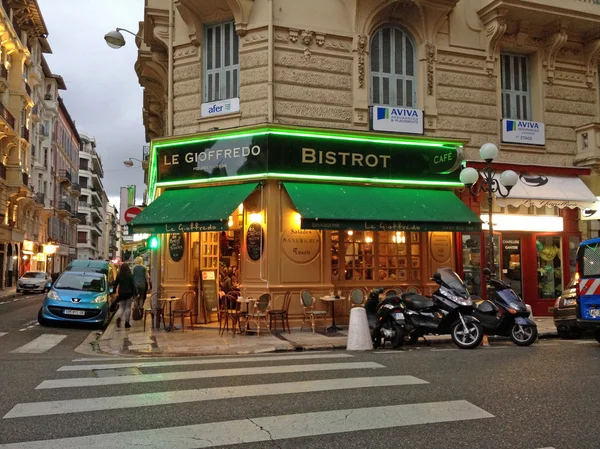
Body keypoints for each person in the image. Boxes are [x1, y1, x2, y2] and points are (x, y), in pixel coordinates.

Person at [113, 263, 137, 329]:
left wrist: (114, 291)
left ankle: (118, 317)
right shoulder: (130, 275)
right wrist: (135, 294)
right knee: (128, 308)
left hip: (121, 293)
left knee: (121, 307)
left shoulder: (119, 275)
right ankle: (127, 322)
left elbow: (115, 284)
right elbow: (133, 285)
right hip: (129, 293)